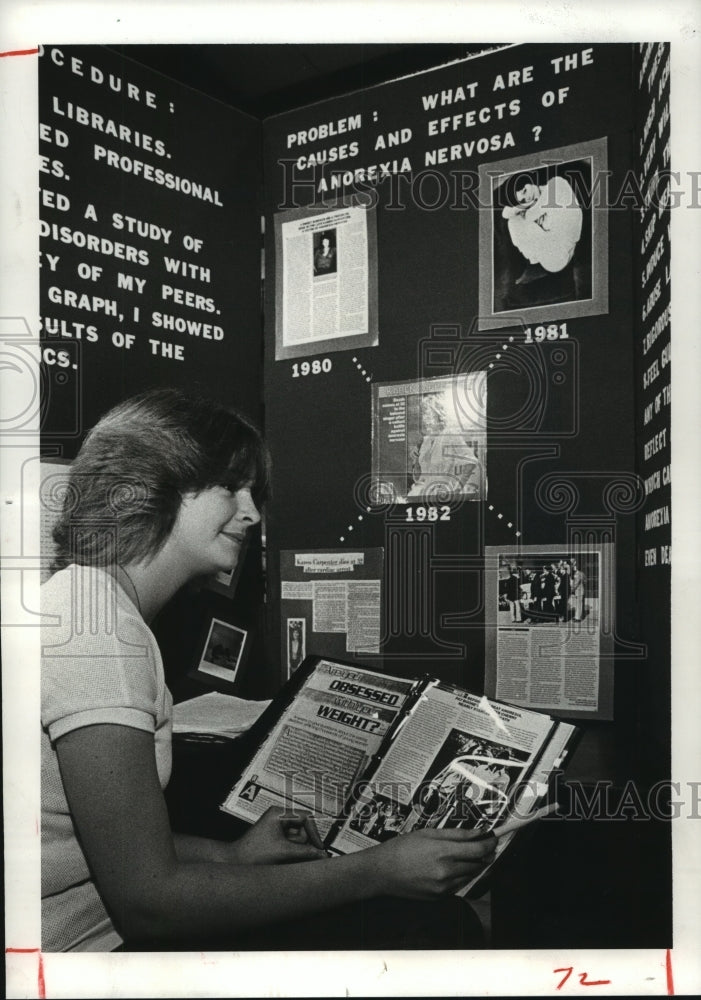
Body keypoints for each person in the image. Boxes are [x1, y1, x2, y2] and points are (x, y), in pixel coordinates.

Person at [41, 388, 495, 953]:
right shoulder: (101, 633)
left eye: (252, 492)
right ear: (152, 486)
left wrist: (230, 856)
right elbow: (150, 904)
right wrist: (377, 870)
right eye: (229, 487)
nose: (252, 513)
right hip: (85, 957)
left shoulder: (88, 606)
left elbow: (112, 848)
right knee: (430, 925)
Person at [502, 174, 583, 283]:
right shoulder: (536, 203)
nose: (528, 198)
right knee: (514, 222)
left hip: (560, 254)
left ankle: (535, 265)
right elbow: (506, 213)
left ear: (530, 181)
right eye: (523, 201)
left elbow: (521, 215)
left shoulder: (556, 184)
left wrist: (525, 209)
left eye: (525, 191)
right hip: (551, 253)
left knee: (515, 222)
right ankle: (534, 263)